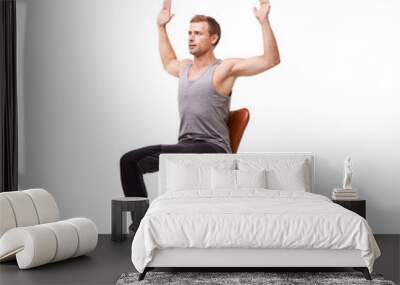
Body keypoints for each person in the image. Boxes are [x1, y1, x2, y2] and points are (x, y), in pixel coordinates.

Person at [120, 0, 280, 231]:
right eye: (189, 33)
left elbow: (270, 60)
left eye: (197, 33)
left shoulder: (223, 70)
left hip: (212, 149)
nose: (191, 38)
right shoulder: (184, 68)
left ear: (213, 38)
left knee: (140, 158)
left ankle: (143, 225)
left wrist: (264, 22)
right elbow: (167, 62)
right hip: (186, 146)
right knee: (129, 162)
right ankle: (143, 224)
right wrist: (161, 28)